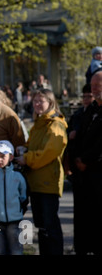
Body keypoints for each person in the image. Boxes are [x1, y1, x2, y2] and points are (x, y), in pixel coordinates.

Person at [14, 88, 68, 255]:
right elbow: (34, 146)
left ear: (50, 103)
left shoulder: (55, 124)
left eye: (41, 101)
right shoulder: (39, 123)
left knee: (49, 227)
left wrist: (27, 158)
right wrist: (23, 149)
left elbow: (50, 152)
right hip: (36, 182)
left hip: (47, 183)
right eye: (35, 101)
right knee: (42, 227)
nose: (37, 104)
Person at [70, 70, 102, 254]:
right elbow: (80, 136)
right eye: (93, 85)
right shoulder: (90, 110)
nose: (95, 89)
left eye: (98, 85)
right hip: (83, 177)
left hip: (97, 173)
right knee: (84, 221)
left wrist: (88, 162)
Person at [0, 140, 27, 255]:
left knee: (16, 250)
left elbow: (24, 196)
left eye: (3, 156)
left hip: (15, 220)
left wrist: (19, 210)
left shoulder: (18, 176)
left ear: (11, 157)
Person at [64, 83, 93, 254]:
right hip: (77, 171)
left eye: (90, 96)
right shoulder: (77, 115)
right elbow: (67, 143)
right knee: (80, 213)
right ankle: (79, 247)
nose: (87, 100)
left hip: (92, 169)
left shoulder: (97, 115)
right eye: (85, 97)